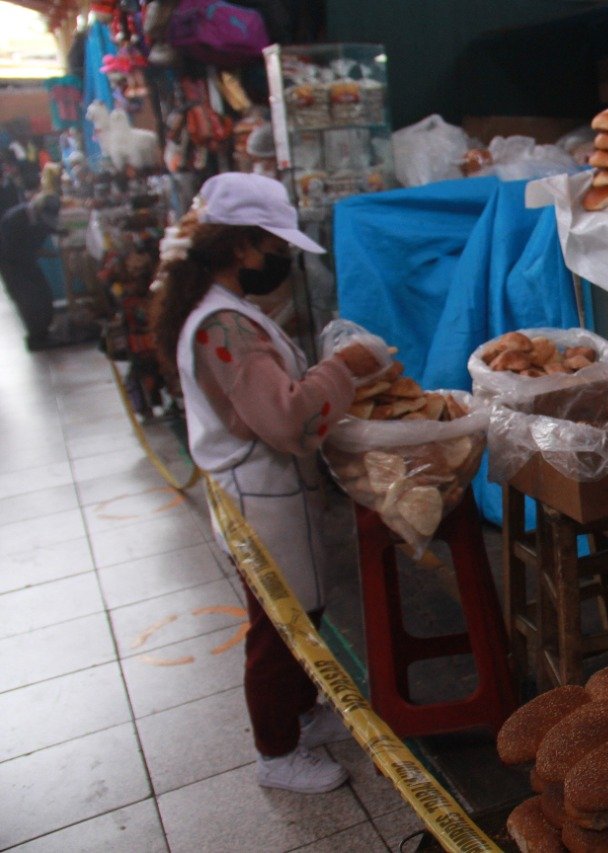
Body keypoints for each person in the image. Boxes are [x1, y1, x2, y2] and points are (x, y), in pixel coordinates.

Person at [150, 173, 386, 794]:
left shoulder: (223, 310)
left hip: (268, 490)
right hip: (260, 493)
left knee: (297, 615)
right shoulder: (222, 328)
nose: (280, 259)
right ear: (240, 247)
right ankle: (275, 751)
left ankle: (301, 715)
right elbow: (286, 419)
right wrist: (345, 368)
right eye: (273, 246)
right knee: (279, 627)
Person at [0, 192, 62, 350]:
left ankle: (43, 332)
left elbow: (48, 228)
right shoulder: (15, 219)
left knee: (43, 294)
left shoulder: (37, 217)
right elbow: (10, 249)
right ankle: (37, 338)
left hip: (26, 261)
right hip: (12, 265)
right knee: (29, 301)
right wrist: (42, 253)